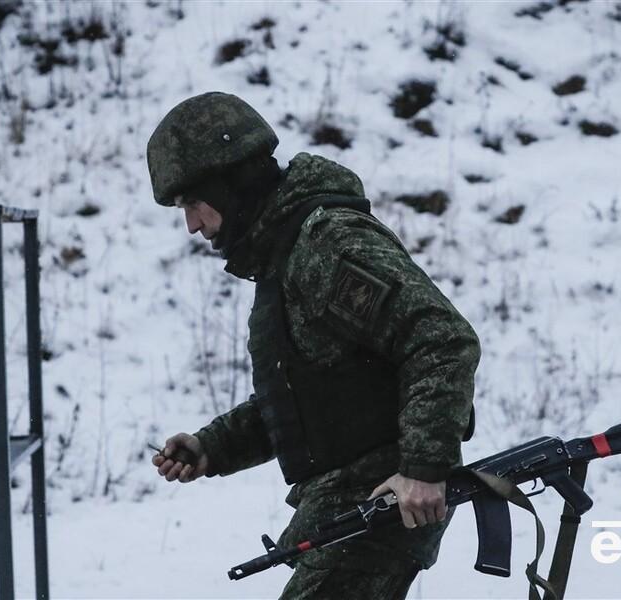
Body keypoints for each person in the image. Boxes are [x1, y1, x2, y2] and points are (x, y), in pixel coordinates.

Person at [147, 91, 480, 600]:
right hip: (351, 510)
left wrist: (423, 470)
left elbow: (441, 339)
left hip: (381, 502)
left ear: (228, 183)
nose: (192, 224)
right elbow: (314, 397)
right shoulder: (285, 255)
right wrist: (212, 446)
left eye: (192, 203)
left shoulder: (325, 242)